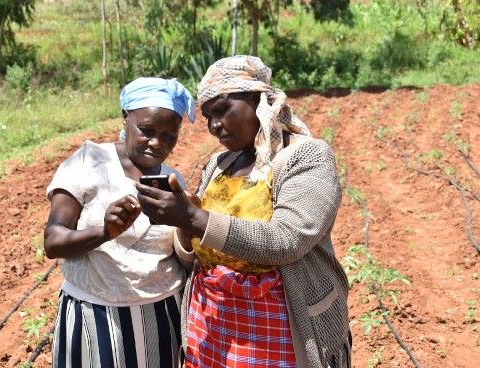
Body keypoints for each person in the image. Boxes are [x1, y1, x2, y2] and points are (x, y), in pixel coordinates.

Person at [135, 56, 351, 368]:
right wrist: (184, 223)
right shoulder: (220, 164)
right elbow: (194, 255)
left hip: (277, 333)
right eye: (208, 116)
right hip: (212, 327)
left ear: (257, 99)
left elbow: (287, 240)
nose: (214, 125)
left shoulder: (305, 157)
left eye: (222, 109)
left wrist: (192, 218)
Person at [44, 77, 196, 367]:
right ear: (126, 118)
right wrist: (104, 232)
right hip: (95, 316)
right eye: (147, 130)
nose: (156, 143)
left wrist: (187, 221)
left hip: (161, 314)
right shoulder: (89, 162)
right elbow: (53, 242)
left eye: (169, 136)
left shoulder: (174, 180)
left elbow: (181, 256)